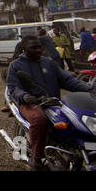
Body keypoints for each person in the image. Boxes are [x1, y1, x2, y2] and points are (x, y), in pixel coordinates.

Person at [6, 35, 94, 170]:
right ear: (24, 48)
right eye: (33, 48)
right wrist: (25, 96)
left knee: (75, 121)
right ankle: (37, 158)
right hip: (30, 103)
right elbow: (13, 88)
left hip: (52, 102)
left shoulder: (49, 62)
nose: (38, 50)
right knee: (39, 120)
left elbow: (68, 80)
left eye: (39, 47)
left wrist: (90, 89)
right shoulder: (16, 65)